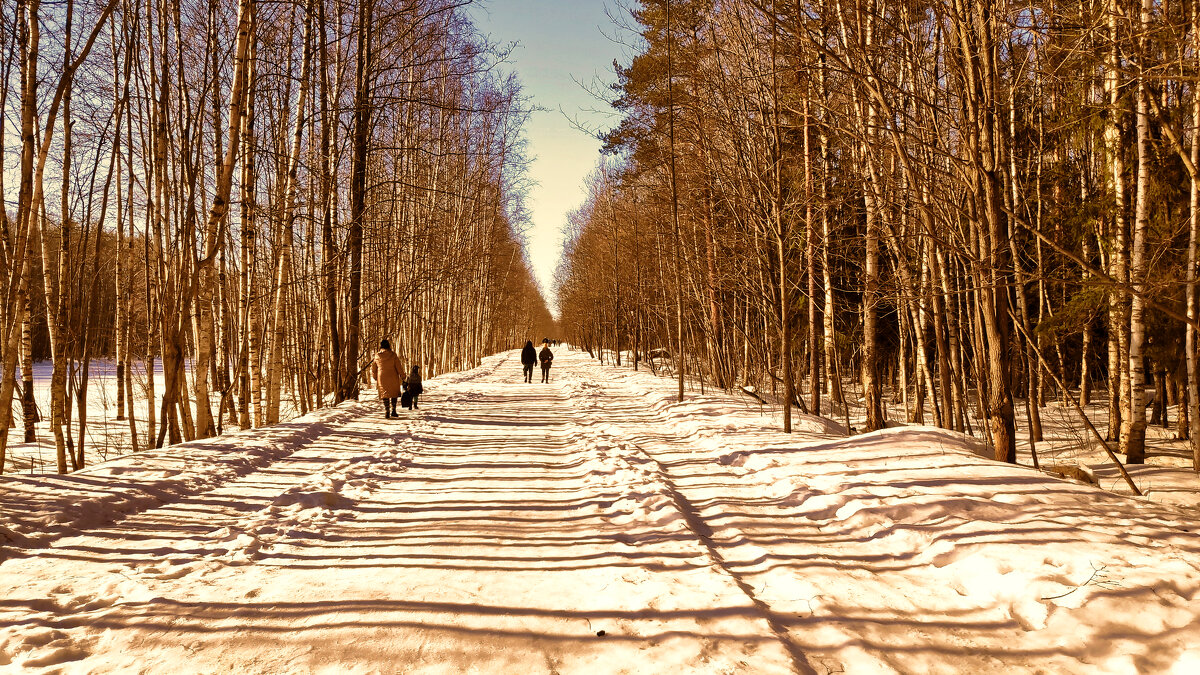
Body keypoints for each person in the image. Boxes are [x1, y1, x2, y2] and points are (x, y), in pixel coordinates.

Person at [370, 339, 403, 418]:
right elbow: (399, 367)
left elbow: (374, 368)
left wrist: (375, 377)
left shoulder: (377, 355)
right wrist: (403, 376)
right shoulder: (393, 355)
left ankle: (387, 410)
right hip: (393, 376)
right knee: (394, 393)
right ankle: (394, 410)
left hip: (382, 376)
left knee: (384, 393)